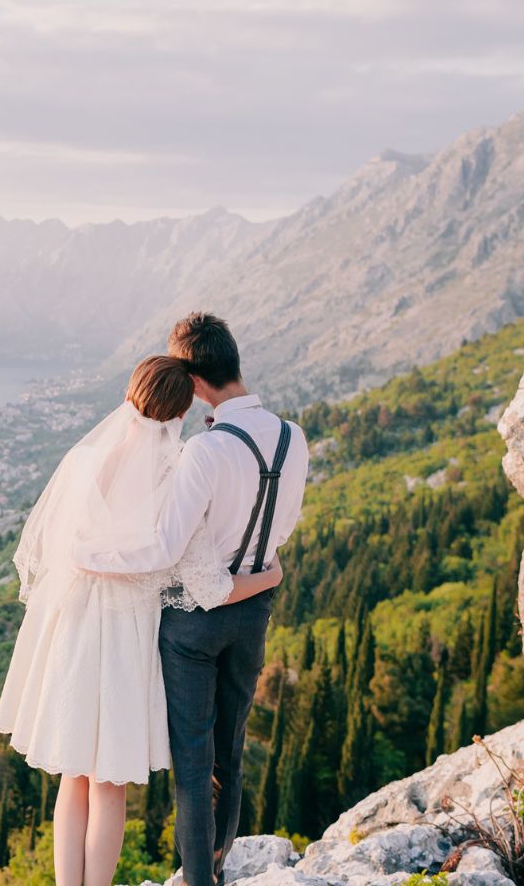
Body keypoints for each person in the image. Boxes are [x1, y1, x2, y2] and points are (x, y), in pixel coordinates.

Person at [0, 354, 286, 886]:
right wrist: (270, 576)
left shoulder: (84, 461)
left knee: (73, 778)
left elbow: (53, 548)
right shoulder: (177, 474)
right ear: (182, 411)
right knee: (109, 784)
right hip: (126, 638)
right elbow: (210, 585)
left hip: (72, 630)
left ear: (131, 394)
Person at [75, 313, 309, 886]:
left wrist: (90, 558)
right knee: (231, 749)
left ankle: (200, 881)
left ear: (194, 378)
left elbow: (162, 546)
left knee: (193, 765)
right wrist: (262, 571)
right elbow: (282, 529)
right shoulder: (292, 436)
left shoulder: (204, 452)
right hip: (254, 610)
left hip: (194, 622)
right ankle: (219, 868)